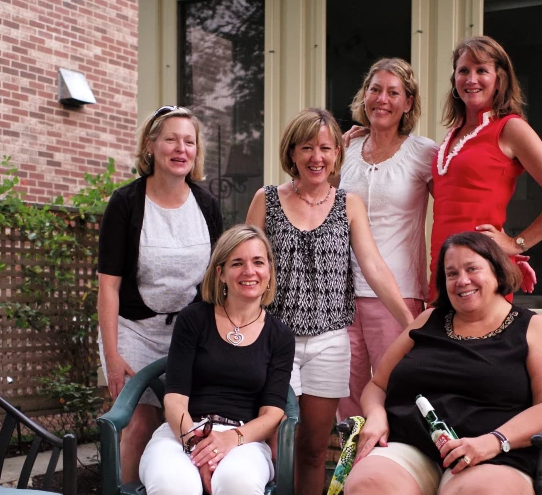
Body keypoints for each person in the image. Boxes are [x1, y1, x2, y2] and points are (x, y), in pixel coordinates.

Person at [246, 107, 417, 495]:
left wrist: (409, 321)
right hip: (274, 341)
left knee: (313, 450)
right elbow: (243, 267)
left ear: (337, 154)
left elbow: (373, 266)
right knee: (275, 445)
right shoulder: (266, 199)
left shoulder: (348, 204)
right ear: (291, 153)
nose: (316, 157)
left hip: (329, 342)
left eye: (325, 148)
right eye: (307, 147)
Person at [344, 231, 542, 495]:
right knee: (368, 485)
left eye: (472, 269)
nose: (462, 281)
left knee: (477, 492)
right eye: (451, 273)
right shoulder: (428, 320)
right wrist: (376, 416)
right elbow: (378, 384)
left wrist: (493, 441)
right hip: (413, 443)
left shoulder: (534, 328)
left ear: (497, 272)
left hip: (500, 449)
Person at [97, 105, 223, 483]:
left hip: (188, 337)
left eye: (189, 141)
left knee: (181, 429)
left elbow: (216, 283)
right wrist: (113, 355)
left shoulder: (207, 205)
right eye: (171, 139)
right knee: (139, 425)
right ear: (151, 145)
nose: (180, 148)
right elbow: (109, 286)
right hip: (133, 333)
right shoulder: (125, 203)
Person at [139, 224, 295, 495]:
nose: (249, 271)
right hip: (184, 431)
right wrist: (197, 446)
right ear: (220, 273)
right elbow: (174, 400)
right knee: (172, 484)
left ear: (269, 271)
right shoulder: (193, 319)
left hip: (243, 440)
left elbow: (272, 415)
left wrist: (228, 440)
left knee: (239, 483)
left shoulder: (280, 335)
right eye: (237, 263)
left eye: (258, 262)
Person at [429, 35, 542, 300]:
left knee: (477, 341)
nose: (471, 79)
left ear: (499, 79)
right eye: (463, 71)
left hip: (480, 271)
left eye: (481, 71)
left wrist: (515, 244)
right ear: (454, 79)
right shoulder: (453, 135)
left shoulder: (510, 128)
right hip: (443, 268)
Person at [334, 58, 436, 421]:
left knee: (391, 392)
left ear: (408, 102)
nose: (382, 99)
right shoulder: (344, 150)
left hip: (396, 294)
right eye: (375, 89)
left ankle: (387, 473)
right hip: (341, 295)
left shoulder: (424, 152)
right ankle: (351, 475)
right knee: (346, 400)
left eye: (394, 92)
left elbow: (456, 207)